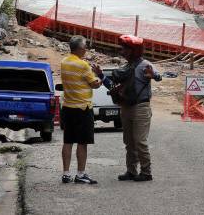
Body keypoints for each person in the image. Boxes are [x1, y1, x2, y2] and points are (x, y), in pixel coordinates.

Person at [93, 35, 161, 182]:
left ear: (133, 50)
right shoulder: (126, 67)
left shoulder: (144, 65)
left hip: (141, 107)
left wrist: (153, 75)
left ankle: (146, 172)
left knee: (139, 141)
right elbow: (113, 86)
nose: (122, 50)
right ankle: (131, 171)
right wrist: (100, 75)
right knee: (129, 142)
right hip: (126, 107)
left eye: (125, 48)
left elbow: (158, 75)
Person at [60, 35, 102, 184]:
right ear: (79, 48)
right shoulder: (83, 65)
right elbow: (94, 84)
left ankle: (66, 173)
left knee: (68, 140)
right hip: (83, 108)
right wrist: (99, 76)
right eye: (84, 47)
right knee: (82, 142)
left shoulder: (64, 62)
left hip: (68, 107)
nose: (86, 49)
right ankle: (80, 174)